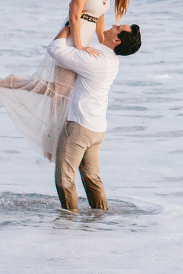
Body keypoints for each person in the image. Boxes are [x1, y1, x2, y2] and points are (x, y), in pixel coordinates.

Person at [0, 0, 133, 161]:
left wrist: (105, 50)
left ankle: (51, 143)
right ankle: (15, 85)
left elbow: (100, 22)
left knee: (67, 92)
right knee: (61, 91)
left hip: (85, 41)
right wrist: (79, 46)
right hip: (73, 37)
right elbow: (74, 16)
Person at [46, 22, 141, 211]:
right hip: (97, 129)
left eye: (117, 27)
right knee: (92, 179)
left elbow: (54, 49)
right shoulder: (112, 60)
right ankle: (100, 221)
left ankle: (69, 221)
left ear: (116, 40)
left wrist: (69, 25)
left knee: (64, 179)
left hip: (80, 127)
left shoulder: (95, 60)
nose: (113, 25)